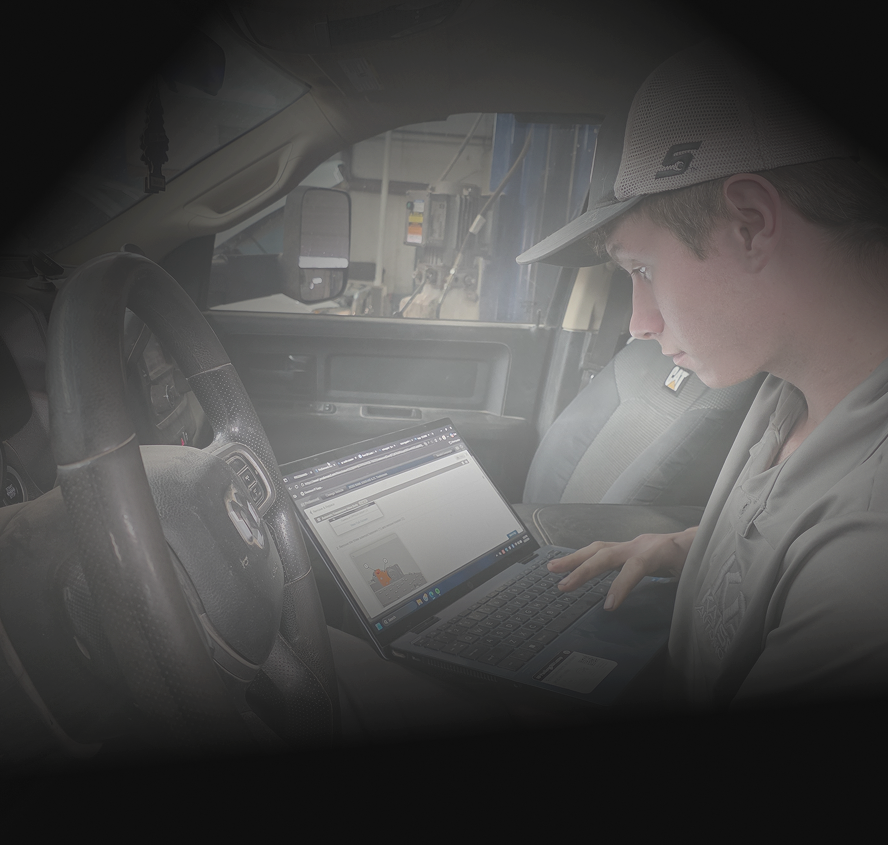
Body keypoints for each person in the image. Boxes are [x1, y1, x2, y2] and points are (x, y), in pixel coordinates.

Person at [514, 42, 888, 714]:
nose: (639, 323)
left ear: (750, 224)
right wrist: (689, 548)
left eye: (643, 270)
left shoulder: (868, 548)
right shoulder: (793, 388)